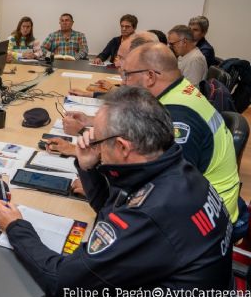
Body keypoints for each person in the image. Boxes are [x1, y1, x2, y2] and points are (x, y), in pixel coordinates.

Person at [0, 86, 232, 297]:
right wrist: (88, 166)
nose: (91, 144)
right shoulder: (173, 166)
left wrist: (16, 227)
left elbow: (63, 283)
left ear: (122, 146)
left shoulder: (152, 211)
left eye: (96, 140)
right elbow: (110, 211)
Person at [65, 43, 240, 227]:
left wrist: (100, 188)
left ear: (149, 76)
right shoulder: (178, 91)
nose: (122, 82)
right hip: (201, 204)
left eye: (127, 75)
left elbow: (158, 193)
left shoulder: (177, 119)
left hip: (209, 222)